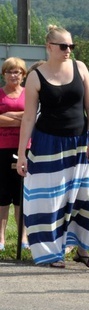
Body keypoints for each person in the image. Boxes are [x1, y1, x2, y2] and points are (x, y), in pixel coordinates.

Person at [16, 25, 89, 269]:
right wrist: (22, 153)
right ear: (49, 47)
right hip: (47, 142)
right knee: (47, 199)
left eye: (71, 46)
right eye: (63, 46)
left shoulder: (80, 67)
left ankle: (81, 250)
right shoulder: (36, 75)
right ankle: (51, 253)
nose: (68, 51)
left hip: (79, 142)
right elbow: (29, 117)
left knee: (81, 196)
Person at [0, 58, 29, 252]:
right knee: (2, 195)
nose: (14, 75)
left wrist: (8, 115)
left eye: (18, 72)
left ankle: (23, 237)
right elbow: (24, 117)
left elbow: (32, 117)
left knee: (21, 195)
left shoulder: (29, 94)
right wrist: (20, 117)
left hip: (24, 149)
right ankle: (0, 238)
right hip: (2, 148)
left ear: (23, 75)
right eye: (10, 71)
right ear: (4, 74)